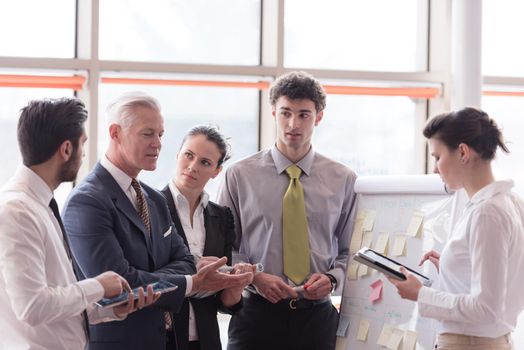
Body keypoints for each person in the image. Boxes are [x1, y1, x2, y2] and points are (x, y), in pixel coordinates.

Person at [62, 92, 252, 350]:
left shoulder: (152, 199)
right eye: (147, 133)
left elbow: (185, 262)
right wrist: (190, 282)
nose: (157, 144)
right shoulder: (86, 201)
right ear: (115, 133)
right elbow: (120, 286)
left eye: (160, 135)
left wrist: (151, 278)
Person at [0, 97, 159, 350]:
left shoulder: (40, 204)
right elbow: (32, 307)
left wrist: (105, 308)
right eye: (82, 144)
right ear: (66, 150)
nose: (85, 154)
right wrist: (97, 286)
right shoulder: (18, 211)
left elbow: (57, 295)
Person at [217, 71, 358, 350]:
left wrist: (332, 279)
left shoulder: (344, 179)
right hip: (255, 315)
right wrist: (254, 276)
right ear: (273, 113)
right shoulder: (239, 176)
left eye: (304, 114)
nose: (293, 124)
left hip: (318, 320)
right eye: (286, 113)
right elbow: (222, 248)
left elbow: (352, 251)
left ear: (319, 117)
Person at [388, 107, 524, 350]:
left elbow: (486, 309)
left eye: (437, 157)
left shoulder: (487, 212)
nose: (435, 169)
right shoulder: (510, 202)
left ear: (462, 152)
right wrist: (455, 268)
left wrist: (421, 294)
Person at [161, 125, 255, 350]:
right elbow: (148, 274)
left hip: (207, 341)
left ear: (216, 171)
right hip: (163, 337)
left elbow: (224, 302)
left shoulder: (222, 217)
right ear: (177, 155)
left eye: (204, 162)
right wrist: (195, 273)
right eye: (189, 155)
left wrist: (235, 286)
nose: (192, 167)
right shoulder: (152, 207)